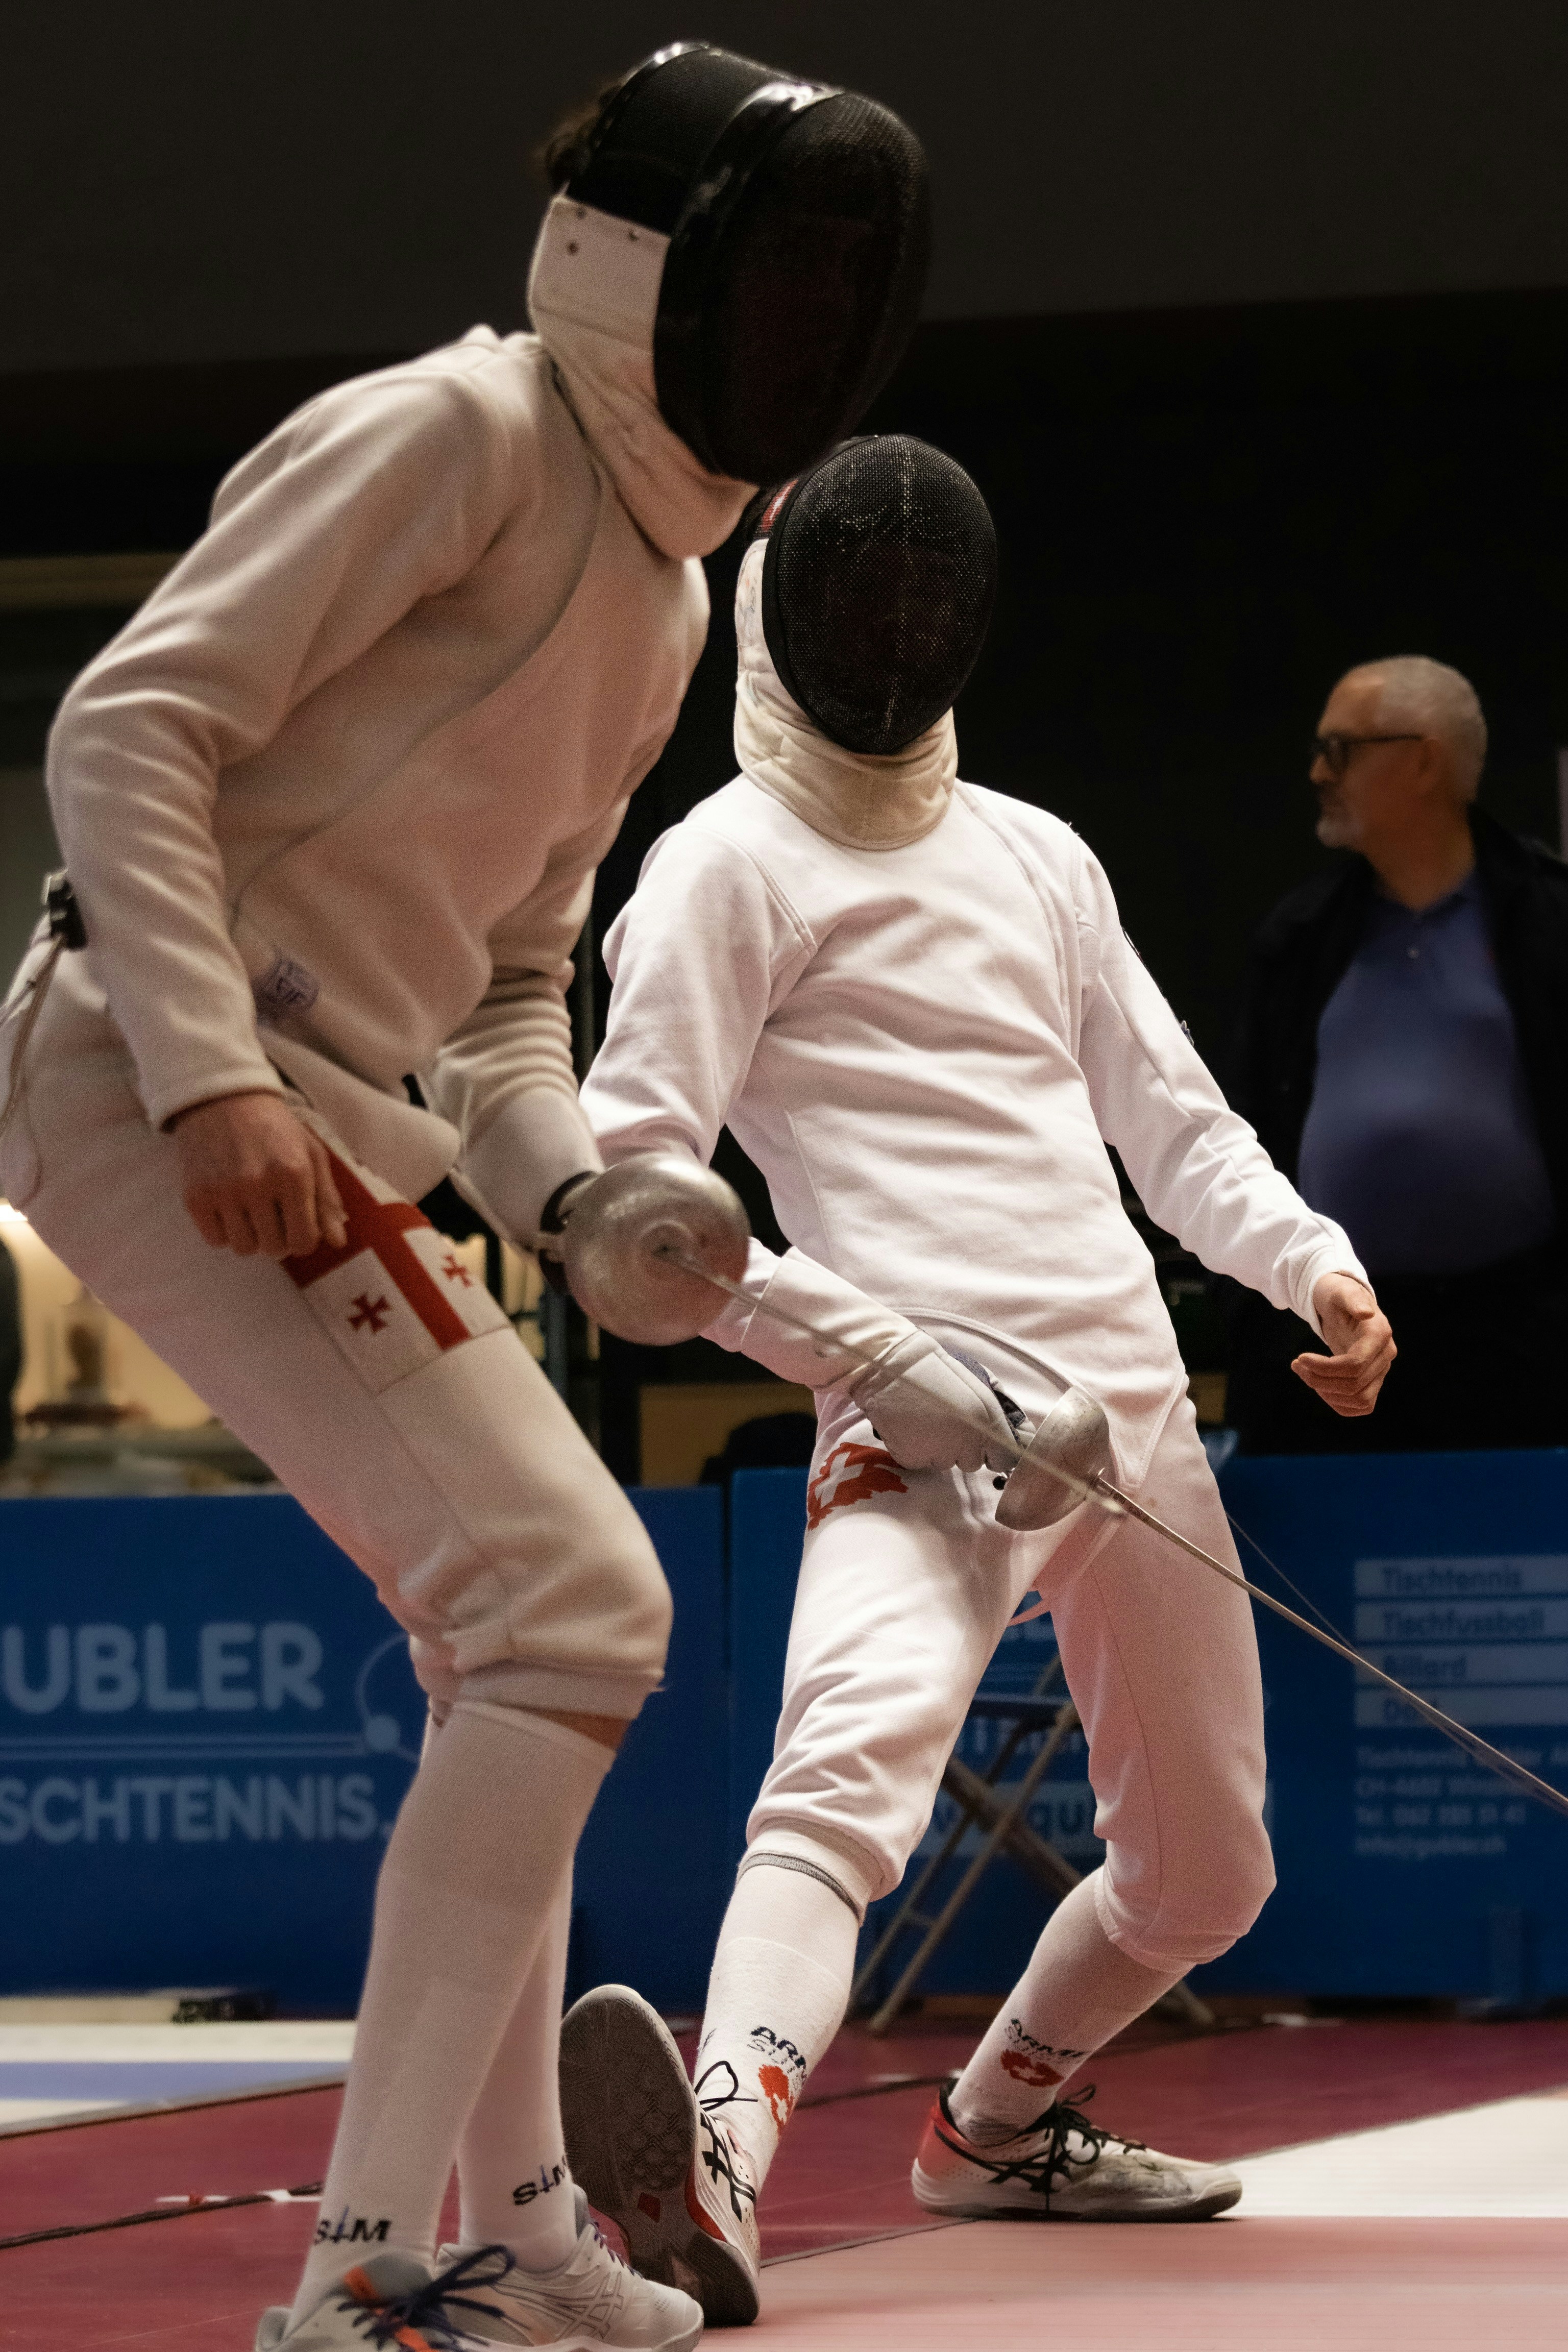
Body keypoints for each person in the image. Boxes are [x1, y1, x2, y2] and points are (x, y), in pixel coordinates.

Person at [0, 44, 929, 2352]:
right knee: (575, 1603)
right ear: (644, 267)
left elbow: (510, 986)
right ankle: (369, 2269)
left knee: (514, 1640)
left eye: (843, 297)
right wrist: (209, 1072)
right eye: (781, 280)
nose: (806, 334)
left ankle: (509, 2231)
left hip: (320, 1110)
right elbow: (128, 727)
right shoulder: (457, 434)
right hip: (140, 1064)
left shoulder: (671, 602)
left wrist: (590, 1193)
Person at [562, 437, 1394, 2326]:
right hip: (922, 1421)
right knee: (843, 1774)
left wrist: (1308, 1260)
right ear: (782, 615)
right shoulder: (721, 867)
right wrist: (877, 1353)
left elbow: (1170, 1120)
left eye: (921, 597)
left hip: (1132, 1410)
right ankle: (714, 2164)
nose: (893, 624)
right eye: (863, 593)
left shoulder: (1034, 851)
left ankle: (998, 2125)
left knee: (1207, 1876)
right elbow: (635, 1209)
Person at [1229, 656, 1568, 1453]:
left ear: (1424, 761)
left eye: (1341, 750)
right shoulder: (1301, 936)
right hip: (1334, 1335)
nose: (1318, 772)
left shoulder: (1549, 919)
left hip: (1521, 1344)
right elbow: (1239, 1133)